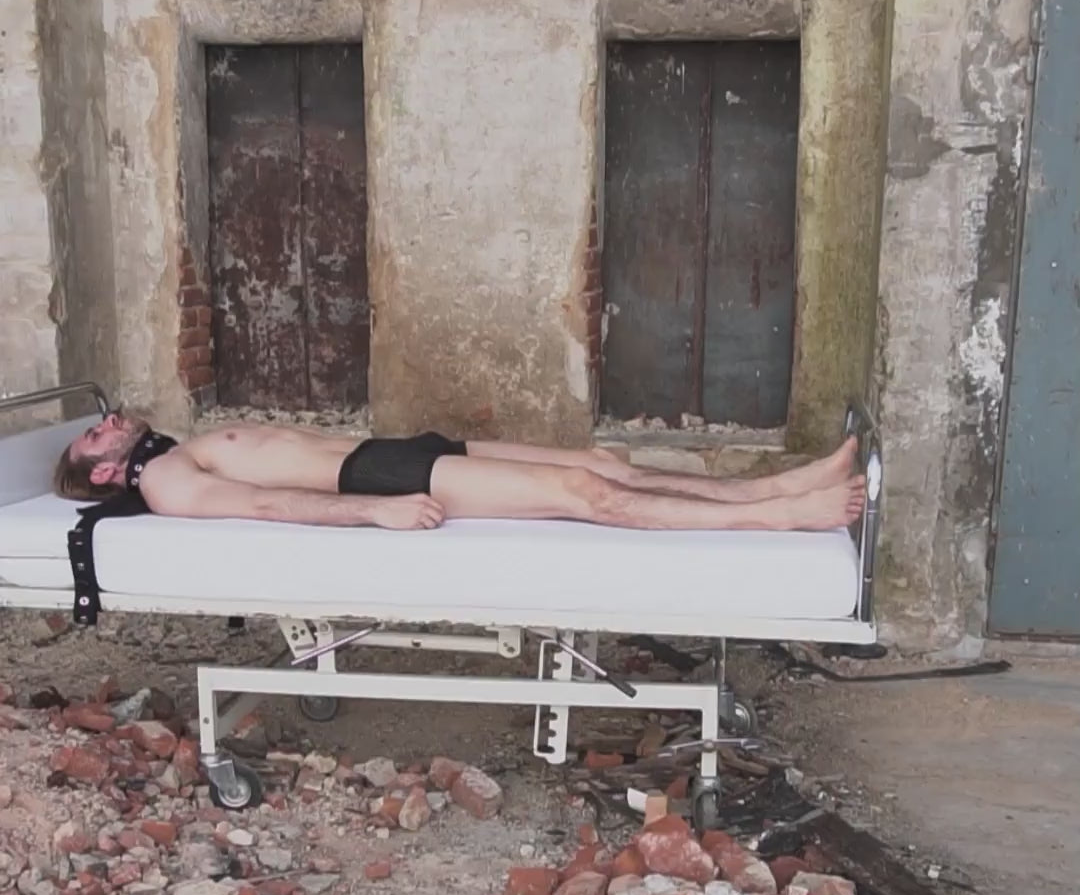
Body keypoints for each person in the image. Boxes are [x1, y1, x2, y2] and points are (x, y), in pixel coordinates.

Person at [52, 409, 866, 532]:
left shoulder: (178, 445)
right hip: (374, 480)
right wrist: (377, 512)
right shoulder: (165, 481)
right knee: (587, 494)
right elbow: (265, 506)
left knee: (595, 461)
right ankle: (776, 516)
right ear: (105, 476)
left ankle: (775, 483)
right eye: (95, 435)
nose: (109, 422)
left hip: (387, 450)